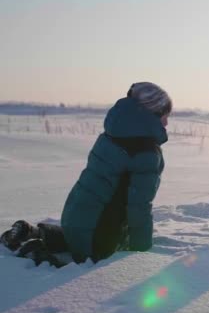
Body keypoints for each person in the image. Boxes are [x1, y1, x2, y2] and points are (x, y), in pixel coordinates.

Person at [0, 82, 172, 267]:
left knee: (77, 236)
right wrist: (141, 251)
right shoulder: (144, 152)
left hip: (74, 216)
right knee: (99, 256)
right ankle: (37, 253)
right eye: (165, 116)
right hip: (98, 231)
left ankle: (29, 233)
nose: (167, 123)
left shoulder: (112, 135)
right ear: (152, 114)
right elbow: (139, 207)